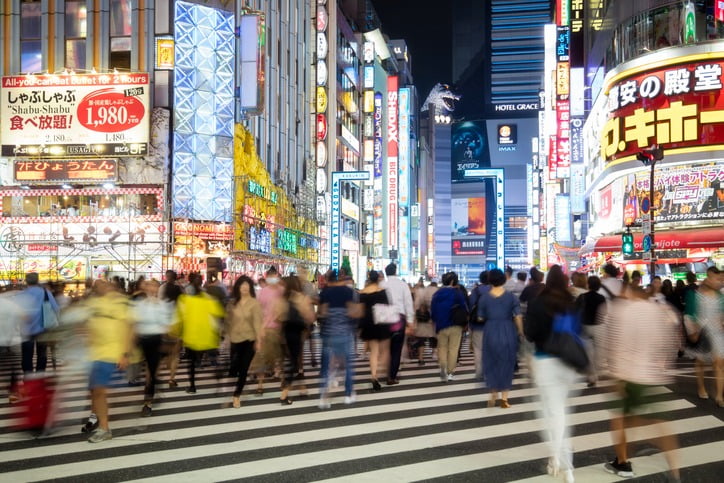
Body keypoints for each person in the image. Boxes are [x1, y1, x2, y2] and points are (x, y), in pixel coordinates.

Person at [603, 285, 682, 479]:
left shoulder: (624, 311)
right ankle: (675, 469)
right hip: (653, 376)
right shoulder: (661, 311)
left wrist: (615, 377)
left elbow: (616, 344)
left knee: (620, 421)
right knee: (659, 423)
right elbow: (672, 342)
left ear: (629, 294)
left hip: (628, 374)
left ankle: (622, 464)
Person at [524, 265, 579, 482]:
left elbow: (530, 334)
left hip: (545, 361)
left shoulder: (537, 302)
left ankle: (558, 458)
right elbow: (576, 331)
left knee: (550, 414)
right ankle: (563, 463)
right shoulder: (570, 302)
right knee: (560, 412)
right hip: (566, 363)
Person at [84, 280, 134, 442]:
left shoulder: (120, 302)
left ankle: (104, 428)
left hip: (111, 353)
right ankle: (98, 418)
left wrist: (125, 353)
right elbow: (86, 325)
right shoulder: (92, 303)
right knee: (94, 391)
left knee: (98, 390)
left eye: (105, 284)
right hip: (94, 353)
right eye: (98, 285)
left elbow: (129, 327)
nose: (103, 286)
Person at [477, 268, 523, 407]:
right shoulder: (511, 297)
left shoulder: (484, 298)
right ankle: (504, 399)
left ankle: (493, 391)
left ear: (490, 280)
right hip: (507, 329)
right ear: (503, 280)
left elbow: (480, 317)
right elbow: (518, 316)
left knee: (491, 361)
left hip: (490, 330)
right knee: (507, 362)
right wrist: (521, 331)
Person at [173, 273, 224, 394]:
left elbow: (180, 316)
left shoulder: (184, 298)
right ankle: (218, 375)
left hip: (192, 336)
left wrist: (176, 332)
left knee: (191, 363)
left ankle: (192, 386)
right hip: (207, 334)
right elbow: (218, 313)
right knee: (211, 356)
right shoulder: (208, 297)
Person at [318, 268, 361, 408]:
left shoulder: (325, 293)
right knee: (347, 365)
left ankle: (324, 398)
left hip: (328, 334)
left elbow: (322, 313)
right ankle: (348, 395)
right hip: (344, 333)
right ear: (340, 278)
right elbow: (353, 312)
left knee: (327, 367)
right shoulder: (347, 292)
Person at [132, 279, 173, 417]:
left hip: (156, 340)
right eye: (150, 286)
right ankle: (152, 389)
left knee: (151, 373)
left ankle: (147, 403)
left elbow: (166, 324)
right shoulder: (140, 304)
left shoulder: (162, 305)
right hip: (142, 340)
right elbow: (135, 321)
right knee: (145, 372)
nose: (152, 289)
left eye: (155, 286)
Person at [684, 266, 723, 405]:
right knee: (700, 361)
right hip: (702, 331)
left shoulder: (720, 295)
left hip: (718, 333)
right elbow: (690, 313)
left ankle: (719, 396)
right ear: (708, 277)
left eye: (720, 279)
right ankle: (701, 387)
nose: (719, 281)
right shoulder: (696, 294)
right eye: (716, 278)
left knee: (719, 363)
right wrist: (692, 330)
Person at [225, 275, 262, 408]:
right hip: (235, 339)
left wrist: (259, 340)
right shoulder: (233, 303)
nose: (245, 288)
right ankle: (238, 386)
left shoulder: (255, 303)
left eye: (247, 285)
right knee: (236, 366)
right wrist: (226, 337)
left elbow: (258, 323)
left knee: (244, 368)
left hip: (249, 339)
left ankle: (237, 395)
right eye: (242, 285)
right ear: (238, 287)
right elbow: (228, 321)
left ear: (250, 288)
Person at [280, 275, 316, 404]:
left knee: (290, 361)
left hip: (284, 333)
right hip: (297, 333)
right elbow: (310, 317)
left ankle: (298, 387)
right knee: (294, 363)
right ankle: (284, 394)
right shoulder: (299, 297)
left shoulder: (284, 298)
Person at [431, 271, 468, 382]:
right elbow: (464, 308)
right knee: (453, 349)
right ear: (453, 281)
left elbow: (432, 311)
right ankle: (450, 372)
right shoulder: (457, 293)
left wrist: (435, 321)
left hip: (441, 325)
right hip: (455, 325)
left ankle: (443, 367)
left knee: (442, 348)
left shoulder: (437, 294)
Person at [380, 263, 414, 385]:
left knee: (385, 348)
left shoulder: (382, 284)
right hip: (399, 318)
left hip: (384, 318)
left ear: (386, 272)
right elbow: (408, 303)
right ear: (395, 271)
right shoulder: (403, 285)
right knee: (396, 349)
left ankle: (384, 371)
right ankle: (391, 377)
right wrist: (410, 322)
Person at [254, 266, 286, 395]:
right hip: (266, 328)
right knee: (262, 356)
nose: (273, 278)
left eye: (275, 276)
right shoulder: (263, 292)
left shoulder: (282, 290)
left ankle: (280, 378)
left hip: (279, 328)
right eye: (270, 276)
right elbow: (259, 309)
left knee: (279, 356)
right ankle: (260, 384)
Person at [19, 273, 59, 374]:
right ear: (37, 281)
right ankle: (40, 376)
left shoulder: (22, 294)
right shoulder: (45, 292)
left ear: (27, 281)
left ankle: (28, 378)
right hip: (43, 329)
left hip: (26, 330)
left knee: (27, 355)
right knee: (42, 354)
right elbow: (56, 308)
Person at [359, 270, 392, 391]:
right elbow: (387, 308)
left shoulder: (363, 293)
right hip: (381, 322)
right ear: (378, 278)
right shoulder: (382, 292)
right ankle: (383, 370)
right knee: (385, 350)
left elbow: (360, 309)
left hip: (368, 323)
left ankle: (374, 376)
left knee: (373, 351)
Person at [576, 276, 607, 387]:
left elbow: (575, 310)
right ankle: (595, 372)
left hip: (585, 326)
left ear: (588, 284)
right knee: (598, 352)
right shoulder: (601, 298)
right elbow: (604, 313)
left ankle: (591, 375)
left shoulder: (582, 297)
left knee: (588, 352)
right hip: (598, 326)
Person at [468, 271, 490, 380]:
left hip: (477, 325)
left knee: (478, 349)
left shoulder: (475, 291)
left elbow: (470, 306)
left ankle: (479, 372)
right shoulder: (495, 291)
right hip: (492, 325)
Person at [411, 279, 438, 366]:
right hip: (431, 319)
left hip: (421, 319)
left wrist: (414, 319)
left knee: (421, 340)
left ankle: (421, 358)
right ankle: (434, 353)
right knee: (433, 337)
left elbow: (415, 306)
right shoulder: (435, 292)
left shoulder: (421, 292)